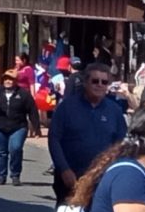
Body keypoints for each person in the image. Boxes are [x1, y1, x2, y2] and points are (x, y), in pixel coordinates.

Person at [49, 62, 129, 204]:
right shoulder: (67, 107)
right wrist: (64, 169)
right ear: (86, 83)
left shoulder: (114, 110)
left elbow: (120, 144)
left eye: (104, 82)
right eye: (95, 81)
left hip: (102, 178)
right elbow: (54, 139)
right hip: (71, 177)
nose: (99, 85)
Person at [0, 68, 36, 185]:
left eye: (11, 79)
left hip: (18, 127)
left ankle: (15, 174)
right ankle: (1, 176)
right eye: (6, 79)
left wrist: (36, 127)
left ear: (16, 81)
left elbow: (32, 110)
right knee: (1, 152)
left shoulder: (23, 94)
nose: (8, 81)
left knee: (16, 148)